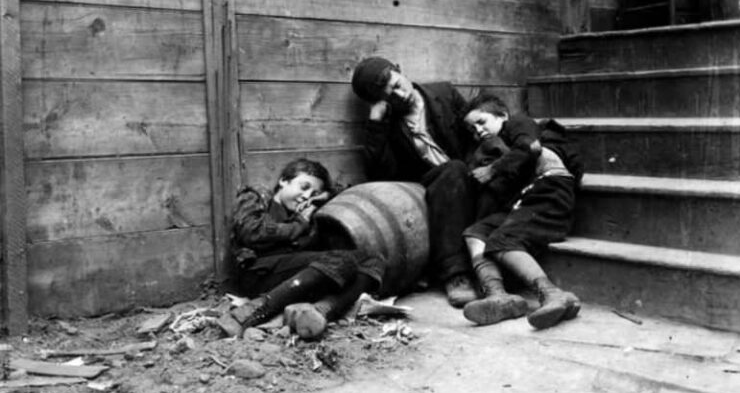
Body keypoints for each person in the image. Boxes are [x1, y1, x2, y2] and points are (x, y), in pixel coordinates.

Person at [351, 57, 478, 308]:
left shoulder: (444, 93)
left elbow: (475, 131)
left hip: (472, 172)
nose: (400, 94)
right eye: (390, 94)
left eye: (398, 84)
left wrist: (479, 168)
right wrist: (376, 124)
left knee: (456, 169)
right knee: (451, 172)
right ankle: (456, 275)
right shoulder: (390, 123)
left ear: (400, 71)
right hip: (432, 186)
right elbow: (379, 175)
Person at [218, 158, 384, 340]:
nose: (306, 196)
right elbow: (252, 232)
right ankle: (252, 311)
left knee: (371, 258)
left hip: (294, 278)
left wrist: (323, 197)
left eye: (313, 193)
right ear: (283, 181)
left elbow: (341, 190)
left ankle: (320, 311)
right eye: (304, 187)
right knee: (341, 260)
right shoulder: (257, 196)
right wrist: (300, 224)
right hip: (257, 272)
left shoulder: (305, 211)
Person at [459, 92, 583, 330]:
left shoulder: (518, 122)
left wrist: (492, 170)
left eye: (482, 122)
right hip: (525, 199)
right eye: (473, 129)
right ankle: (497, 295)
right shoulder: (496, 147)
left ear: (502, 115)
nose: (478, 131)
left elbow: (531, 147)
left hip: (550, 192)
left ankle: (552, 294)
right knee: (476, 233)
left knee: (503, 240)